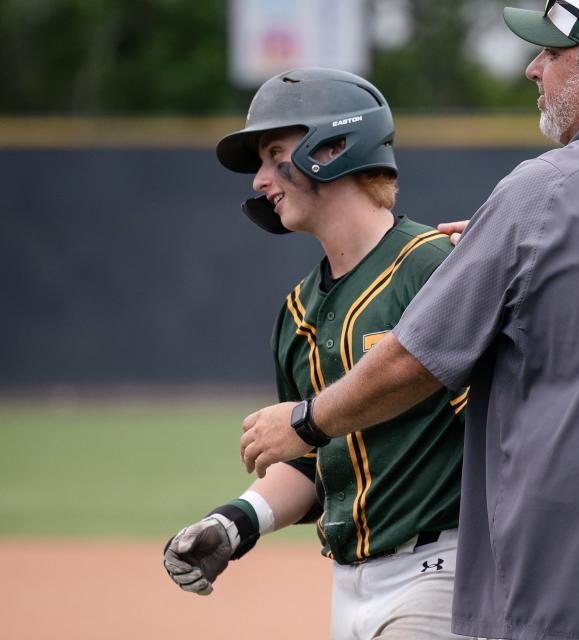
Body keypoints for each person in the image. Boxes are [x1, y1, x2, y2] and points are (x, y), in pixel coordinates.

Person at [239, 1, 579, 638]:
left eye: (552, 54)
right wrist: (518, 256)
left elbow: (415, 359)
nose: (533, 69)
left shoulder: (545, 191)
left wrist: (307, 420)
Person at [161, 68, 470, 640]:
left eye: (274, 153)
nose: (258, 180)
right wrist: (236, 522)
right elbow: (313, 457)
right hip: (350, 584)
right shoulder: (299, 310)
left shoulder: (436, 266)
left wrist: (304, 423)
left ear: (333, 147)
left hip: (445, 571)